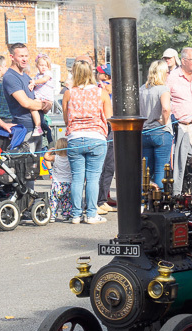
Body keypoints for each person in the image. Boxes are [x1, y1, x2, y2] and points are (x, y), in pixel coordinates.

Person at [62, 59, 112, 225]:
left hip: (75, 137)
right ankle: (91, 214)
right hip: (96, 137)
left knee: (77, 178)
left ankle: (76, 214)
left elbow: (65, 119)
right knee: (92, 178)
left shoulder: (69, 93)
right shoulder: (101, 93)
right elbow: (110, 117)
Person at [2, 43, 51, 161]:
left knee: (33, 170)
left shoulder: (27, 77)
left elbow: (44, 104)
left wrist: (47, 105)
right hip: (25, 129)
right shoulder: (10, 77)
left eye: (26, 56)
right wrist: (44, 105)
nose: (24, 59)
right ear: (12, 57)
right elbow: (26, 103)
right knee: (25, 169)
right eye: (21, 56)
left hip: (37, 128)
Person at [166, 47, 192, 195]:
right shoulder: (172, 77)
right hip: (180, 126)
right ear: (183, 61)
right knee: (179, 162)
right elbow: (165, 99)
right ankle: (176, 193)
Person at [140, 60, 173, 187]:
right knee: (161, 170)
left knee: (146, 170)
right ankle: (159, 202)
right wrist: (165, 123)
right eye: (167, 71)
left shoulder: (142, 88)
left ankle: (144, 201)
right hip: (161, 132)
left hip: (145, 132)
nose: (168, 74)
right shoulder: (163, 89)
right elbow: (166, 108)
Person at [95, 63, 116, 213]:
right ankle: (100, 199)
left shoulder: (105, 87)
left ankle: (103, 197)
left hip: (108, 129)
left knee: (108, 166)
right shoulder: (101, 88)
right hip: (106, 129)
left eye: (100, 73)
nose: (98, 75)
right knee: (107, 166)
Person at [43, 138, 71, 222]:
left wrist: (50, 150)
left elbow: (46, 157)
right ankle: (66, 214)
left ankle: (52, 215)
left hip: (57, 183)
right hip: (68, 182)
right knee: (67, 201)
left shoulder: (55, 157)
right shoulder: (70, 158)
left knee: (54, 200)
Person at [28, 53, 54, 137]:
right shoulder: (37, 76)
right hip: (39, 98)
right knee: (34, 109)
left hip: (46, 99)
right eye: (41, 65)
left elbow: (44, 80)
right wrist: (32, 85)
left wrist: (34, 82)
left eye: (46, 65)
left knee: (32, 106)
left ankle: (38, 126)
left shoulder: (48, 74)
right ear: (37, 66)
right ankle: (38, 126)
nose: (43, 67)